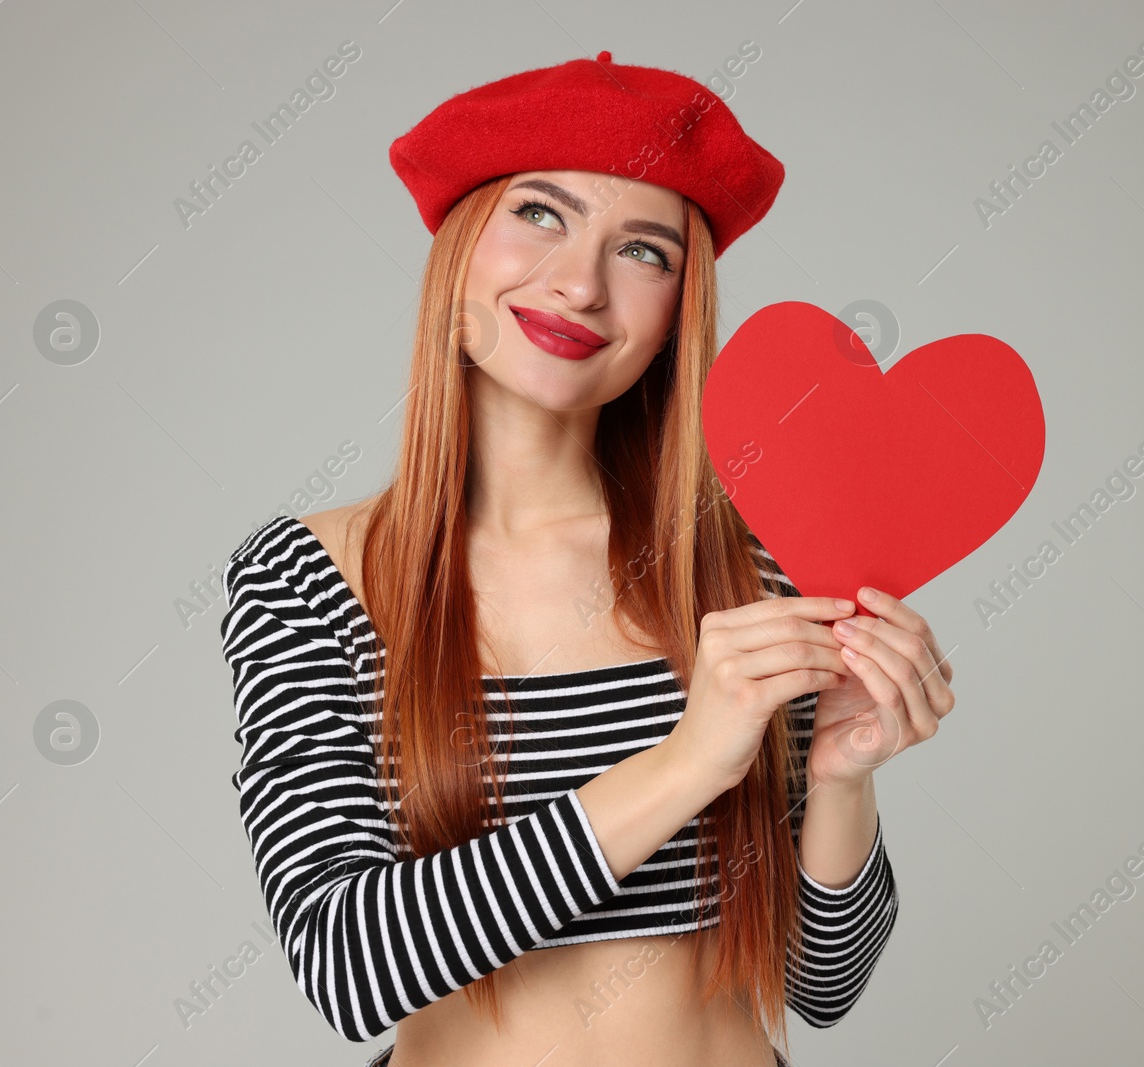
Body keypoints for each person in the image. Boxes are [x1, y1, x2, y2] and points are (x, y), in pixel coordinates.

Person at [219, 50, 955, 1067]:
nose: (579, 283)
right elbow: (350, 962)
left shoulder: (754, 559)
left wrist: (840, 776)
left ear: (675, 314)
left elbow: (820, 984)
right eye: (540, 213)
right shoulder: (310, 574)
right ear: (459, 245)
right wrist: (692, 757)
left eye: (643, 251)